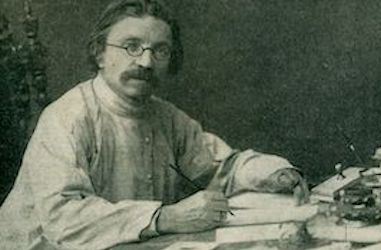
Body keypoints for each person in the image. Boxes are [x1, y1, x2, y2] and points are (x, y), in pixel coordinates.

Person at [0, 0, 309, 249]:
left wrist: (274, 174)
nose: (146, 62)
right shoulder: (66, 119)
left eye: (160, 51)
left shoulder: (164, 116)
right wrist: (164, 217)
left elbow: (220, 167)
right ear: (100, 54)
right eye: (131, 46)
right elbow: (64, 220)